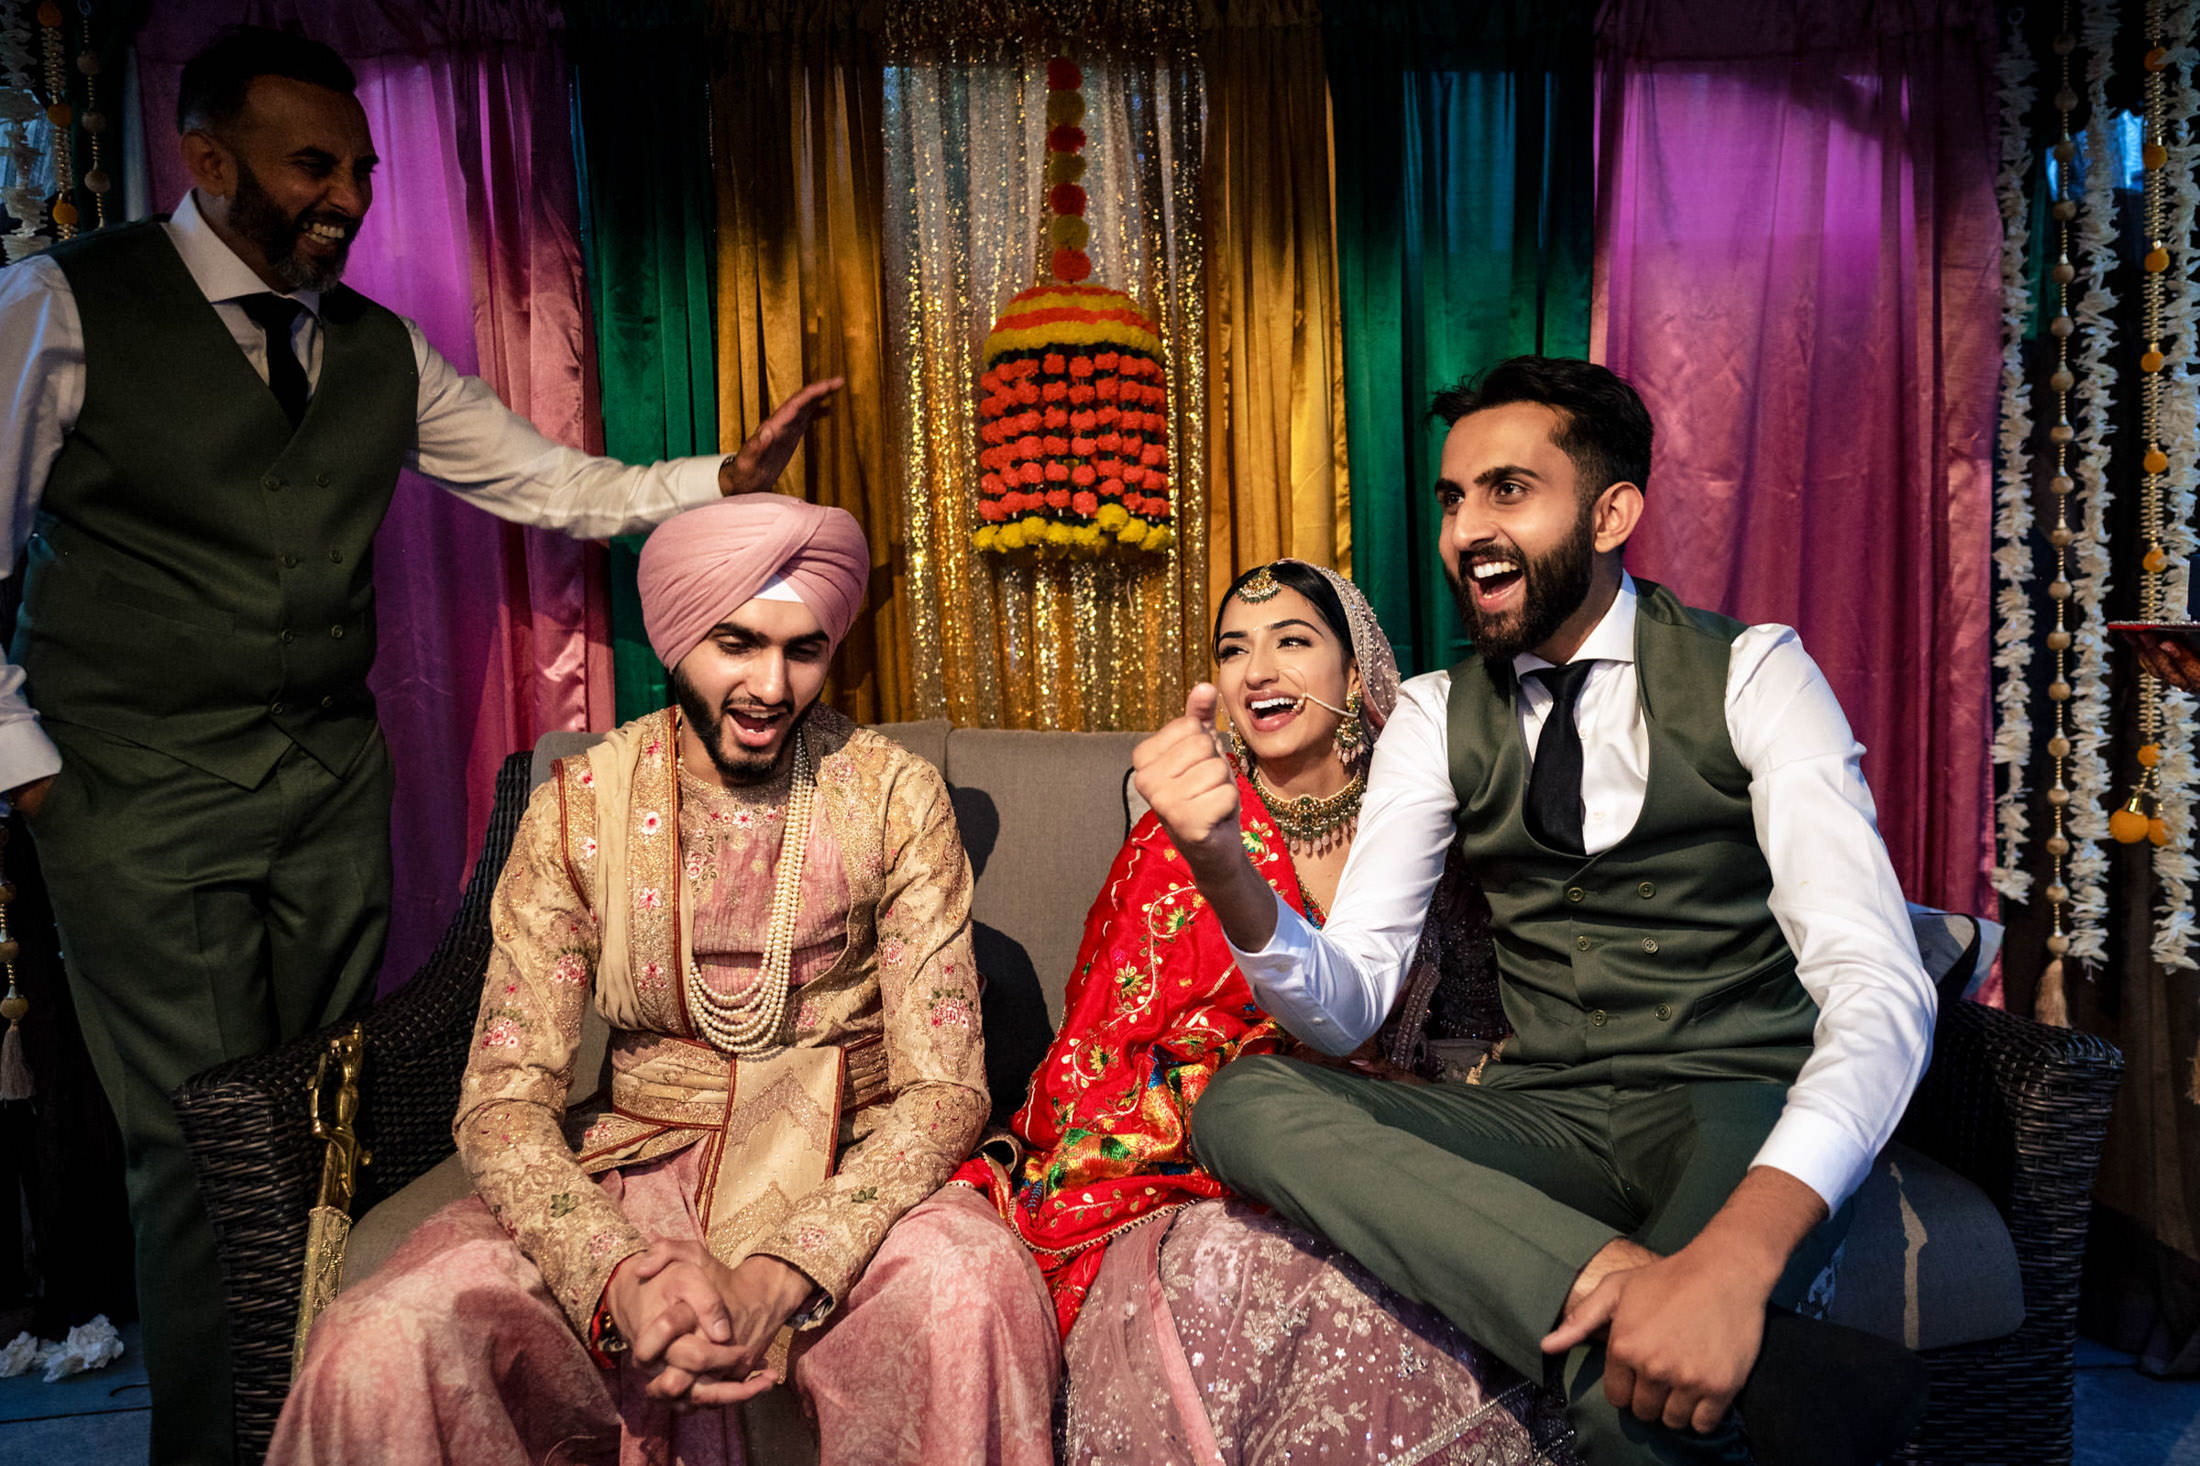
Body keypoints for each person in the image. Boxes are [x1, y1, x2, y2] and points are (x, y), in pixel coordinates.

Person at [0, 25, 842, 1464]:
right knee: (204, 1161)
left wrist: (718, 479)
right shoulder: (63, 305)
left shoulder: (374, 347)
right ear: (206, 161)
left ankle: (336, 1423)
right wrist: (37, 775)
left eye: (360, 168)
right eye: (309, 164)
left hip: (327, 792)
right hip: (135, 797)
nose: (346, 195)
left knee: (327, 1143)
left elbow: (546, 480)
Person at [1133, 357, 1936, 1466]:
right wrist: (1224, 862)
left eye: (1508, 489)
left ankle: (1644, 1347)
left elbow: (1878, 985)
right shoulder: (1431, 713)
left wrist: (1735, 1259)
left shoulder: (1755, 675)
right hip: (1542, 1110)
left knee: (1630, 1406)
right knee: (1246, 1102)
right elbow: (1348, 1001)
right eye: (1453, 500)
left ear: (1612, 512)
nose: (1468, 529)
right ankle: (1618, 1292)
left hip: (1728, 1101)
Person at [272, 493, 1057, 1464]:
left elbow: (943, 1090)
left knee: (969, 1288)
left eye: (803, 649)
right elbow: (502, 1098)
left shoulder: (895, 795)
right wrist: (619, 1273)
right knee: (382, 1338)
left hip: (854, 1165)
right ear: (677, 631)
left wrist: (788, 1265)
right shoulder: (579, 808)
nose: (771, 682)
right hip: (635, 1167)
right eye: (736, 642)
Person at [956, 558, 1567, 1463]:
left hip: (1396, 1149)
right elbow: (1095, 1067)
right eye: (1233, 650)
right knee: (1271, 1275)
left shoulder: (1427, 822)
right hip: (1207, 1167)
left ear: (1356, 673)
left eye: (1292, 641)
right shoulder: (1185, 841)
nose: (1257, 671)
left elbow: (1484, 1033)